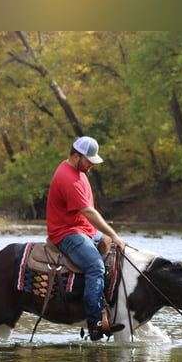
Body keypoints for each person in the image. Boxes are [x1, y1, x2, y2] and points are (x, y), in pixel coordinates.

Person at [46, 136, 126, 341]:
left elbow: (88, 216)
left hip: (83, 229)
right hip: (66, 232)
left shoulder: (78, 171)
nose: (91, 164)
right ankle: (95, 323)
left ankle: (113, 304)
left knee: (118, 254)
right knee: (95, 267)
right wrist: (114, 235)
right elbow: (89, 212)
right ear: (75, 156)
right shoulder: (68, 178)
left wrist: (110, 238)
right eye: (89, 160)